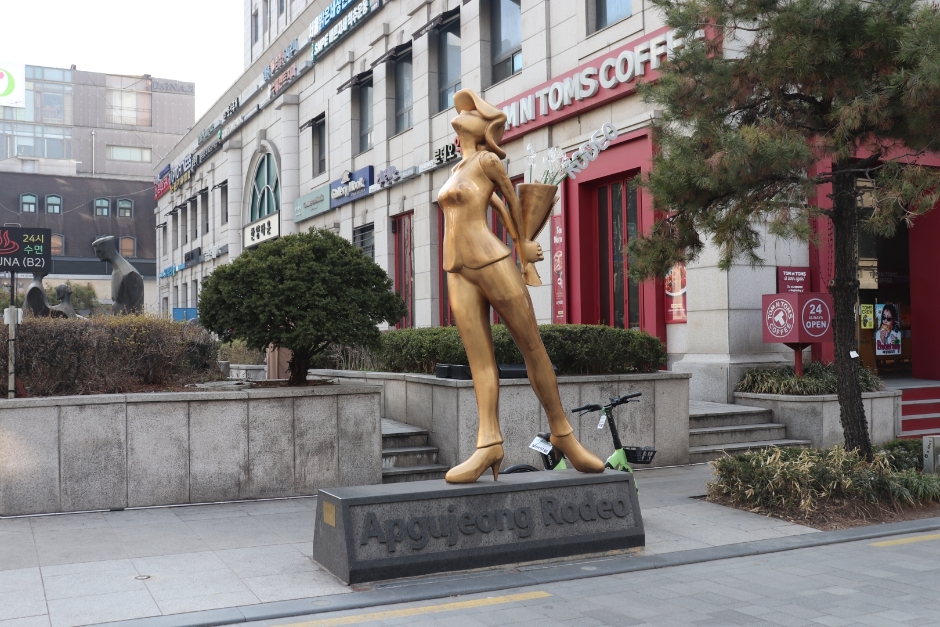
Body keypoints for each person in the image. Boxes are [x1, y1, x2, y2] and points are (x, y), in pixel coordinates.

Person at [438, 89, 605, 483]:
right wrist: (515, 232)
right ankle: (488, 443)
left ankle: (563, 433)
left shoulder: (487, 160)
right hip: (456, 267)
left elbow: (510, 200)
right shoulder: (456, 169)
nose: (462, 114)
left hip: (490, 259)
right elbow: (493, 204)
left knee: (532, 346)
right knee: (480, 360)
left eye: (472, 112)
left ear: (486, 128)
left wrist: (522, 244)